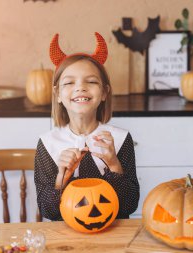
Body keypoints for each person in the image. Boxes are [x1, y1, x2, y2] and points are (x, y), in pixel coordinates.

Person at [34, 32, 140, 221]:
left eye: (91, 81)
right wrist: (62, 177)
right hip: (66, 236)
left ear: (104, 92)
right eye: (69, 82)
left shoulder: (121, 139)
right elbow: (48, 211)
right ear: (58, 94)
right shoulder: (48, 144)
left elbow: (129, 205)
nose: (80, 87)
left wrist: (114, 165)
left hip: (113, 234)